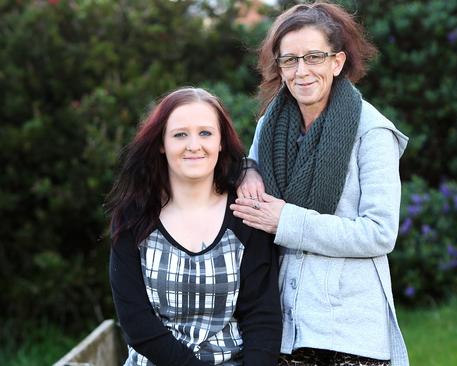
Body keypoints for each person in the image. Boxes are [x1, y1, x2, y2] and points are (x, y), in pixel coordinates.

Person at [230, 2, 410, 365]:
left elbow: (379, 233)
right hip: (282, 325)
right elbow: (250, 169)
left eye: (314, 57)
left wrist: (287, 221)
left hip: (347, 331)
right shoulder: (271, 124)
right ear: (279, 68)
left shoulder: (371, 132)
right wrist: (247, 170)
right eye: (290, 60)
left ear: (337, 62)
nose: (301, 71)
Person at [106, 87, 282, 366]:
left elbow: (262, 316)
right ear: (161, 143)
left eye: (205, 133)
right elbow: (136, 322)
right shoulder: (134, 218)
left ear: (221, 141)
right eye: (180, 134)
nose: (193, 145)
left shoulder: (245, 214)